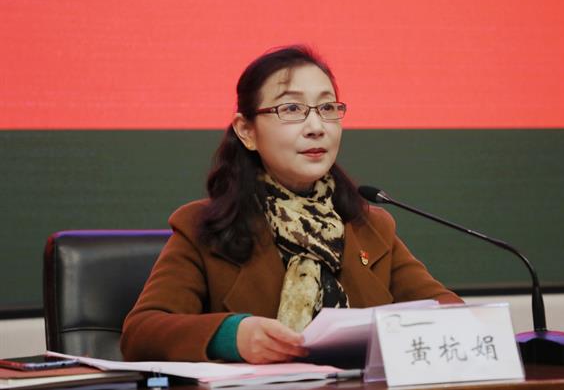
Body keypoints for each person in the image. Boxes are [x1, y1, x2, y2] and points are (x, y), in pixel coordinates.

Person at [120, 45, 462, 364]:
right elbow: (141, 332)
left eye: (327, 108)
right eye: (292, 109)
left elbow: (447, 311)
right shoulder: (202, 228)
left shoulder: (370, 226)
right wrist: (231, 336)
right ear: (246, 131)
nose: (316, 127)